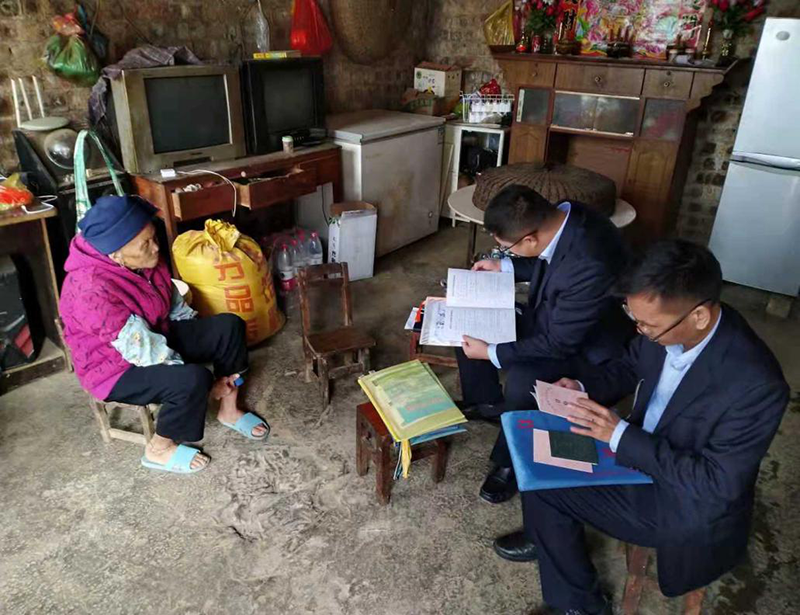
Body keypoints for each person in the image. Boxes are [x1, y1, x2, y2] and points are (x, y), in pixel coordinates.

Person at [492, 240, 789, 615]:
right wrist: (582, 387)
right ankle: (548, 537)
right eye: (634, 318)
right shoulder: (670, 326)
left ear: (699, 316)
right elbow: (630, 365)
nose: (641, 330)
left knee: (548, 489)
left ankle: (579, 605)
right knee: (537, 453)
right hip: (638, 444)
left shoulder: (757, 386)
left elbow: (716, 484)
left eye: (648, 325)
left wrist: (619, 435)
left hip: (678, 496)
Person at [60, 195, 269, 474]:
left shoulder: (145, 260)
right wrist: (208, 386)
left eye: (153, 237)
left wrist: (198, 334)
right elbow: (145, 351)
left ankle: (229, 408)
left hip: (154, 334)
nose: (156, 247)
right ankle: (158, 448)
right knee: (192, 379)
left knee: (228, 327)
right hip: (113, 368)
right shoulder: (90, 290)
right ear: (115, 255)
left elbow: (172, 303)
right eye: (145, 244)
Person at [457, 184, 631, 503]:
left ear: (529, 239)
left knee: (523, 382)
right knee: (469, 323)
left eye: (506, 249)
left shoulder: (590, 264)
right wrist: (504, 265)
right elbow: (548, 260)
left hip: (586, 345)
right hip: (554, 315)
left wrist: (492, 352)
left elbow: (558, 344)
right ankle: (488, 403)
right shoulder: (564, 214)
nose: (505, 252)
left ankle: (509, 462)